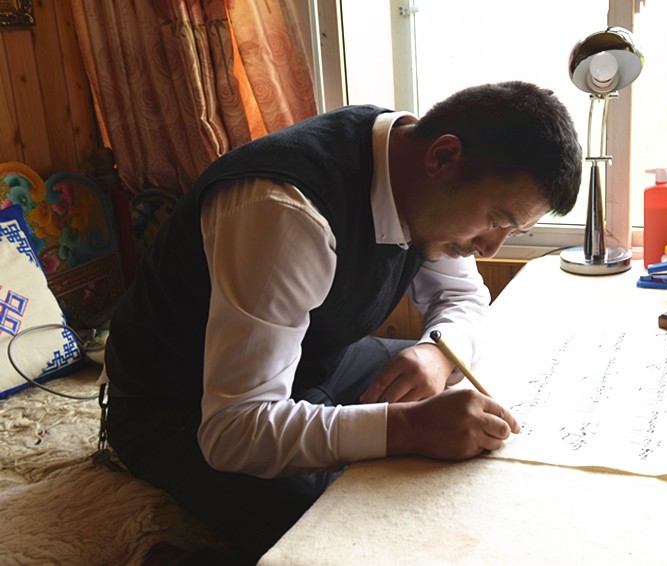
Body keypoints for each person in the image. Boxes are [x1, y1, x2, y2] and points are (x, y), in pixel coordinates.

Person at [102, 80, 582, 562]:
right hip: (180, 409)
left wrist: (437, 354)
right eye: (496, 220)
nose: (490, 248)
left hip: (319, 361)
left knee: (474, 405)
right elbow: (235, 431)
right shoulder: (285, 211)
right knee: (350, 535)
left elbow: (462, 296)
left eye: (512, 231)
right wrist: (408, 428)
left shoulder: (415, 173)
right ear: (442, 157)